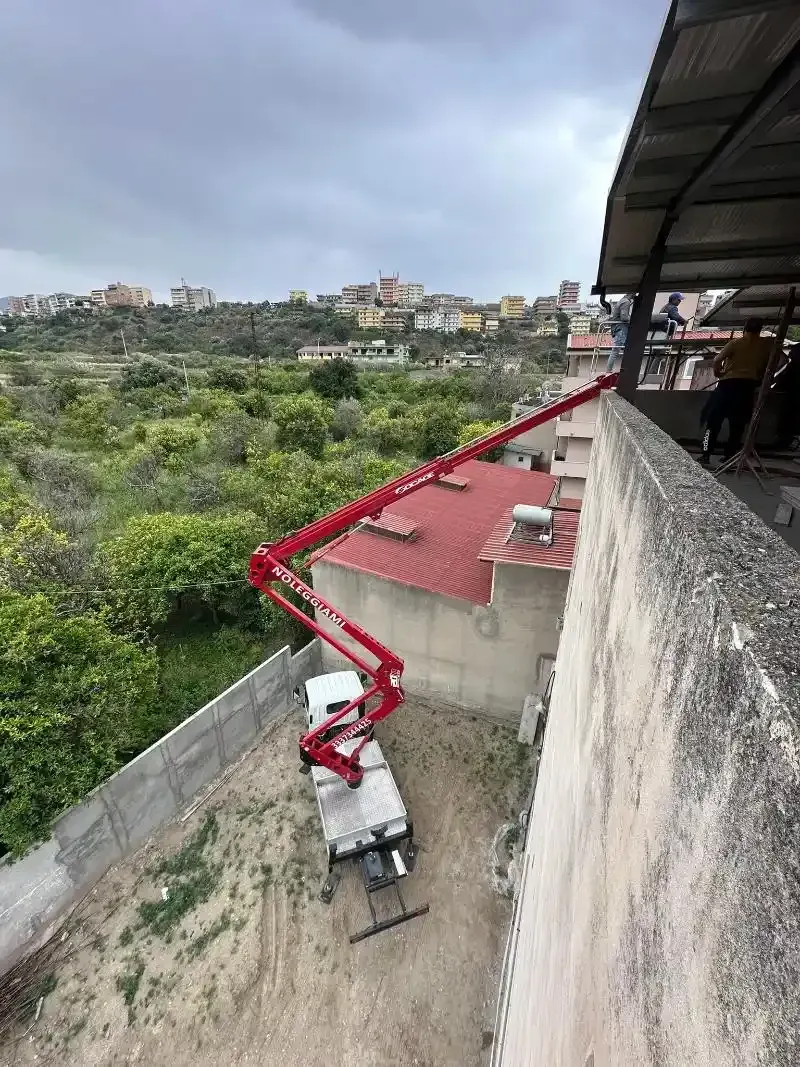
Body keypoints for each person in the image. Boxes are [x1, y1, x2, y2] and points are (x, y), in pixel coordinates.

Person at [700, 317, 773, 465]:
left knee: (713, 422)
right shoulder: (765, 347)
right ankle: (729, 457)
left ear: (745, 328)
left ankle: (706, 454)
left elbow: (716, 360)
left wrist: (718, 373)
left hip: (727, 385)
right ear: (760, 330)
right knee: (737, 426)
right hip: (747, 387)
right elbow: (774, 364)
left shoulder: (736, 343)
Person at [607, 293, 634, 372]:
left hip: (618, 328)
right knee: (616, 351)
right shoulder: (626, 302)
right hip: (621, 329)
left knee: (618, 351)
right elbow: (624, 317)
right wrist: (633, 320)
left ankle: (610, 370)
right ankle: (609, 371)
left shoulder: (622, 301)